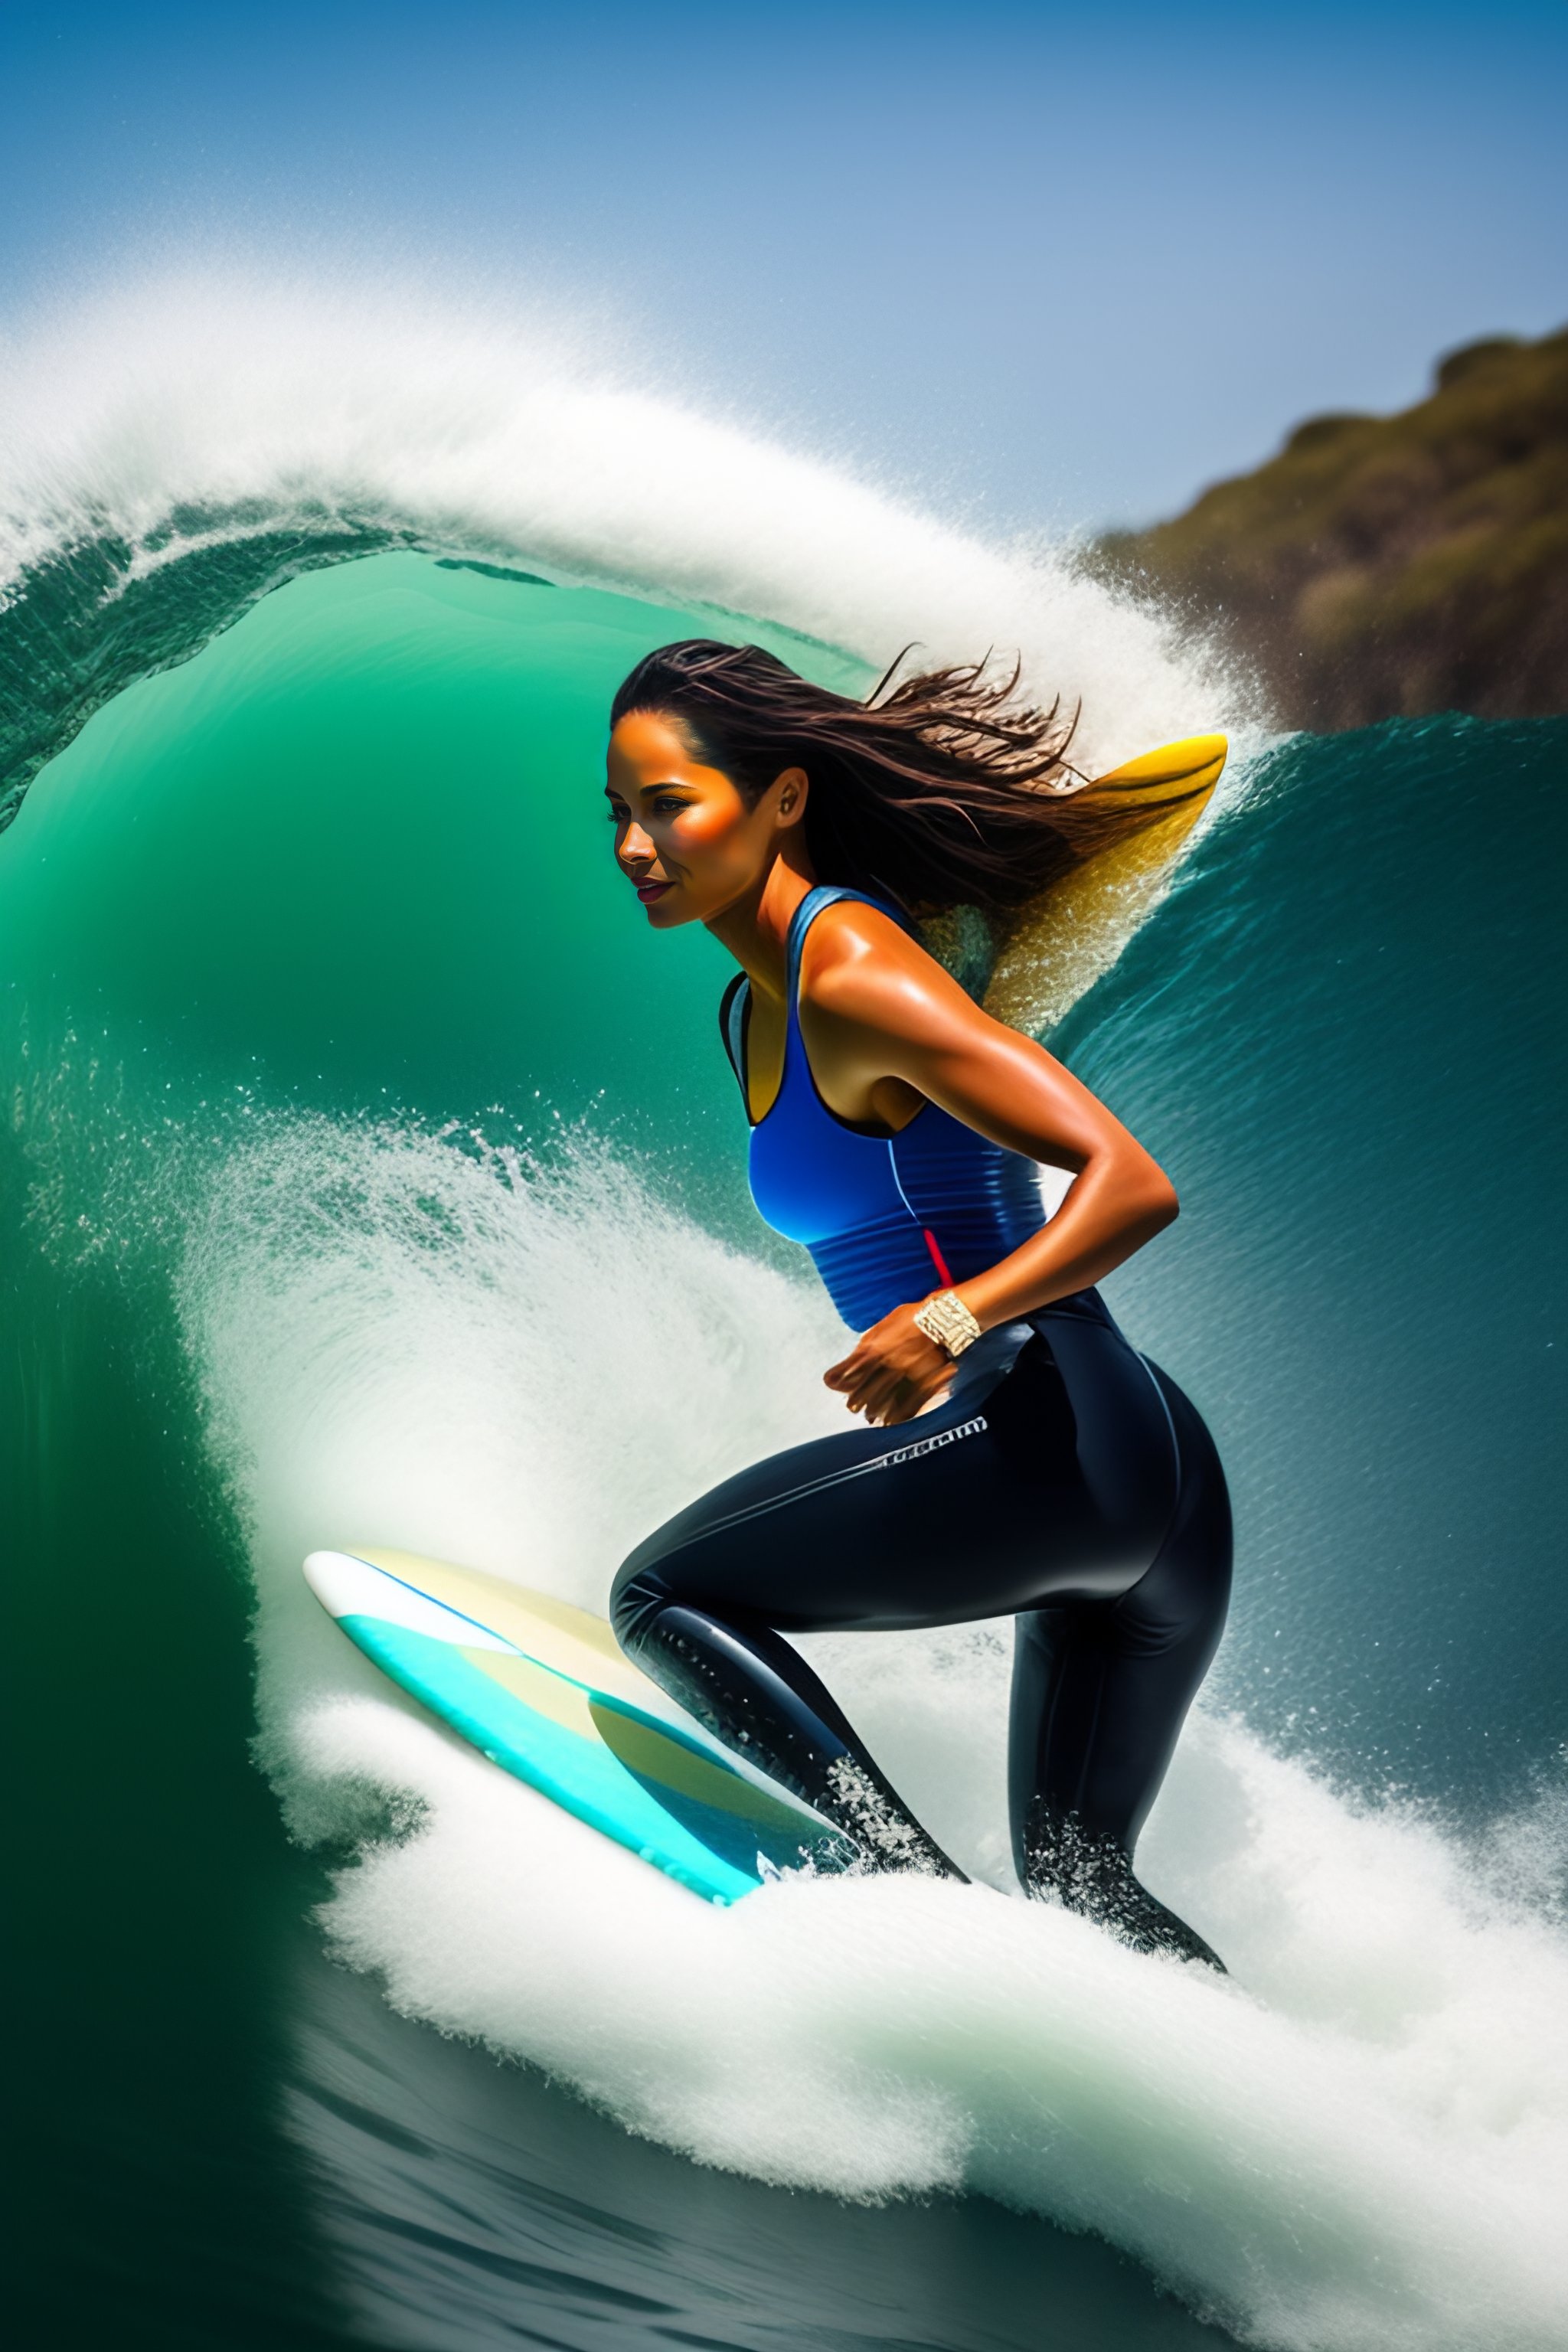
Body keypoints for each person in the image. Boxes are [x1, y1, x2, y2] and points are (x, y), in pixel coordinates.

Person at [605, 640, 1231, 1967]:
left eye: (670, 803)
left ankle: (915, 1913)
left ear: (781, 799)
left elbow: (1130, 1185)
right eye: (619, 811)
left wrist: (948, 1321)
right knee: (1085, 1893)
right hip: (1143, 1464)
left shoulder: (853, 973)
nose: (635, 843)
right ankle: (1290, 2113)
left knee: (661, 1595)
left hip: (1046, 1428)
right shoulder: (762, 1001)